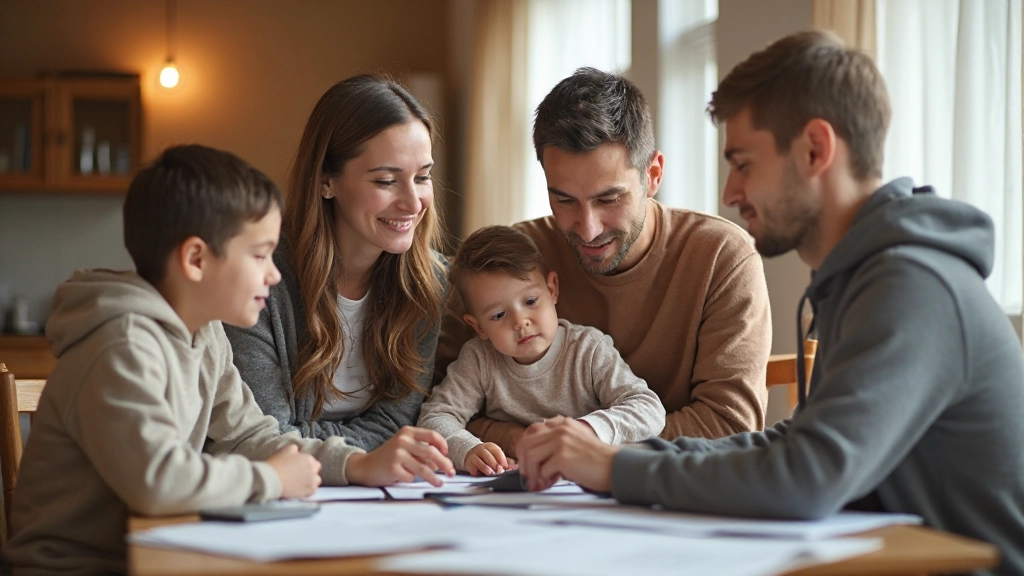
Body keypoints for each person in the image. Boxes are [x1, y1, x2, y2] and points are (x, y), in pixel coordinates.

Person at [515, 31, 1024, 576]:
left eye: (742, 162)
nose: (730, 191)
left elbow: (807, 476)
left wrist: (615, 468)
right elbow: (795, 446)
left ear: (814, 150)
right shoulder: (868, 277)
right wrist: (618, 458)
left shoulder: (913, 285)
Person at [3, 145, 454, 574]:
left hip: (152, 553)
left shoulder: (205, 332)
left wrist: (354, 464)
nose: (274, 273)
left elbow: (248, 435)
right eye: (259, 255)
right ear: (196, 259)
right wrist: (272, 481)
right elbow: (158, 482)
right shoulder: (121, 346)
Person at [436, 68, 772, 455]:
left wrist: (585, 450)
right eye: (564, 200)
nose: (589, 229)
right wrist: (520, 440)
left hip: (669, 491)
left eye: (609, 199)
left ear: (654, 174)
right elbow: (438, 405)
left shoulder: (721, 257)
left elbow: (729, 425)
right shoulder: (513, 260)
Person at [225, 75, 448, 451]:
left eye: (422, 177)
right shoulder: (258, 279)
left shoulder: (429, 280)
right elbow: (265, 435)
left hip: (374, 489)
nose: (413, 203)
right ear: (327, 181)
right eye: (386, 181)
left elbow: (398, 422)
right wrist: (360, 459)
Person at [418, 226, 665, 475]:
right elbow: (435, 418)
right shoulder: (479, 359)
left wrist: (589, 430)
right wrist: (467, 449)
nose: (520, 322)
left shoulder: (588, 350)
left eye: (530, 301)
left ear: (552, 289)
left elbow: (649, 409)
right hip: (514, 483)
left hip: (585, 477)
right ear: (478, 326)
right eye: (499, 315)